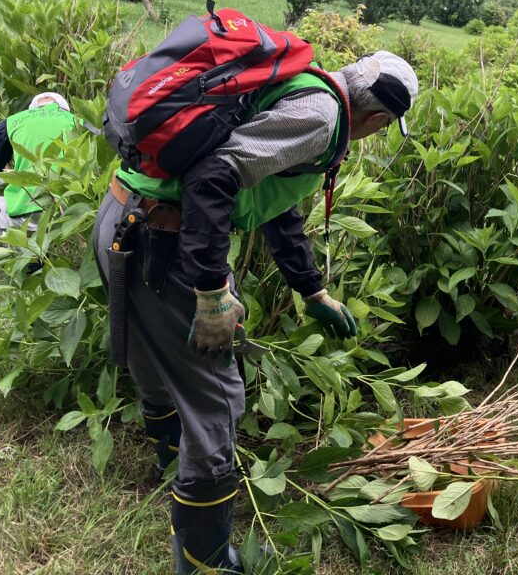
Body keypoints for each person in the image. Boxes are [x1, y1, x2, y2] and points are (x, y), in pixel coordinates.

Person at [91, 51, 418, 574]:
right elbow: (214, 178)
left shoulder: (301, 90)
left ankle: (180, 484)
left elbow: (271, 197)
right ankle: (207, 563)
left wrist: (311, 290)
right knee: (218, 405)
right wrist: (211, 288)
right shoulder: (322, 117)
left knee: (159, 375)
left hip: (124, 220)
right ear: (378, 120)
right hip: (163, 243)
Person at [0, 92, 79, 240]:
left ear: (32, 109)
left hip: (28, 212)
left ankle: (25, 253)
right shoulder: (79, 123)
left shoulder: (10, 123)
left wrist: (16, 177)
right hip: (72, 213)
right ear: (64, 110)